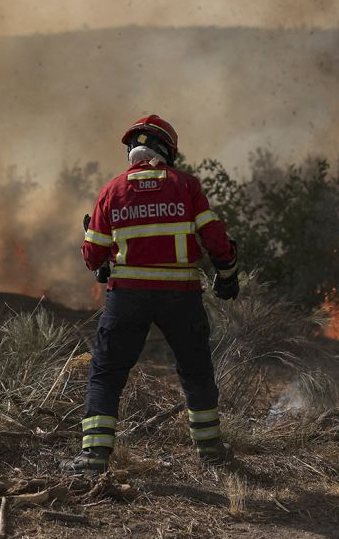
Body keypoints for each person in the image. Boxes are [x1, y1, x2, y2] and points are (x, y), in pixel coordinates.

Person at [73, 114, 240, 473]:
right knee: (195, 369)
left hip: (127, 296)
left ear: (132, 150)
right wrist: (227, 274)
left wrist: (94, 244)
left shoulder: (112, 190)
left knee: (106, 372)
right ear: (167, 150)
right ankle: (211, 450)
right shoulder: (186, 186)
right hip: (180, 295)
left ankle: (93, 458)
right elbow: (215, 239)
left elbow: (92, 258)